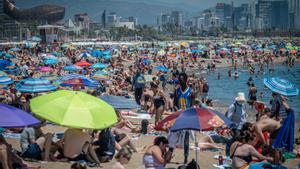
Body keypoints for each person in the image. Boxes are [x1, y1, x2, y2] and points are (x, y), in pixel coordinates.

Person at [169, 72, 195, 164]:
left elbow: (192, 106)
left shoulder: (191, 92)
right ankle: (169, 155)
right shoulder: (177, 91)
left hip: (187, 117)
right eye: (179, 80)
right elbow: (175, 105)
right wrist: (178, 111)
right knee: (173, 136)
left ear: (186, 80)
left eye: (182, 79)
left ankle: (185, 158)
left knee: (186, 138)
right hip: (179, 116)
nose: (181, 81)